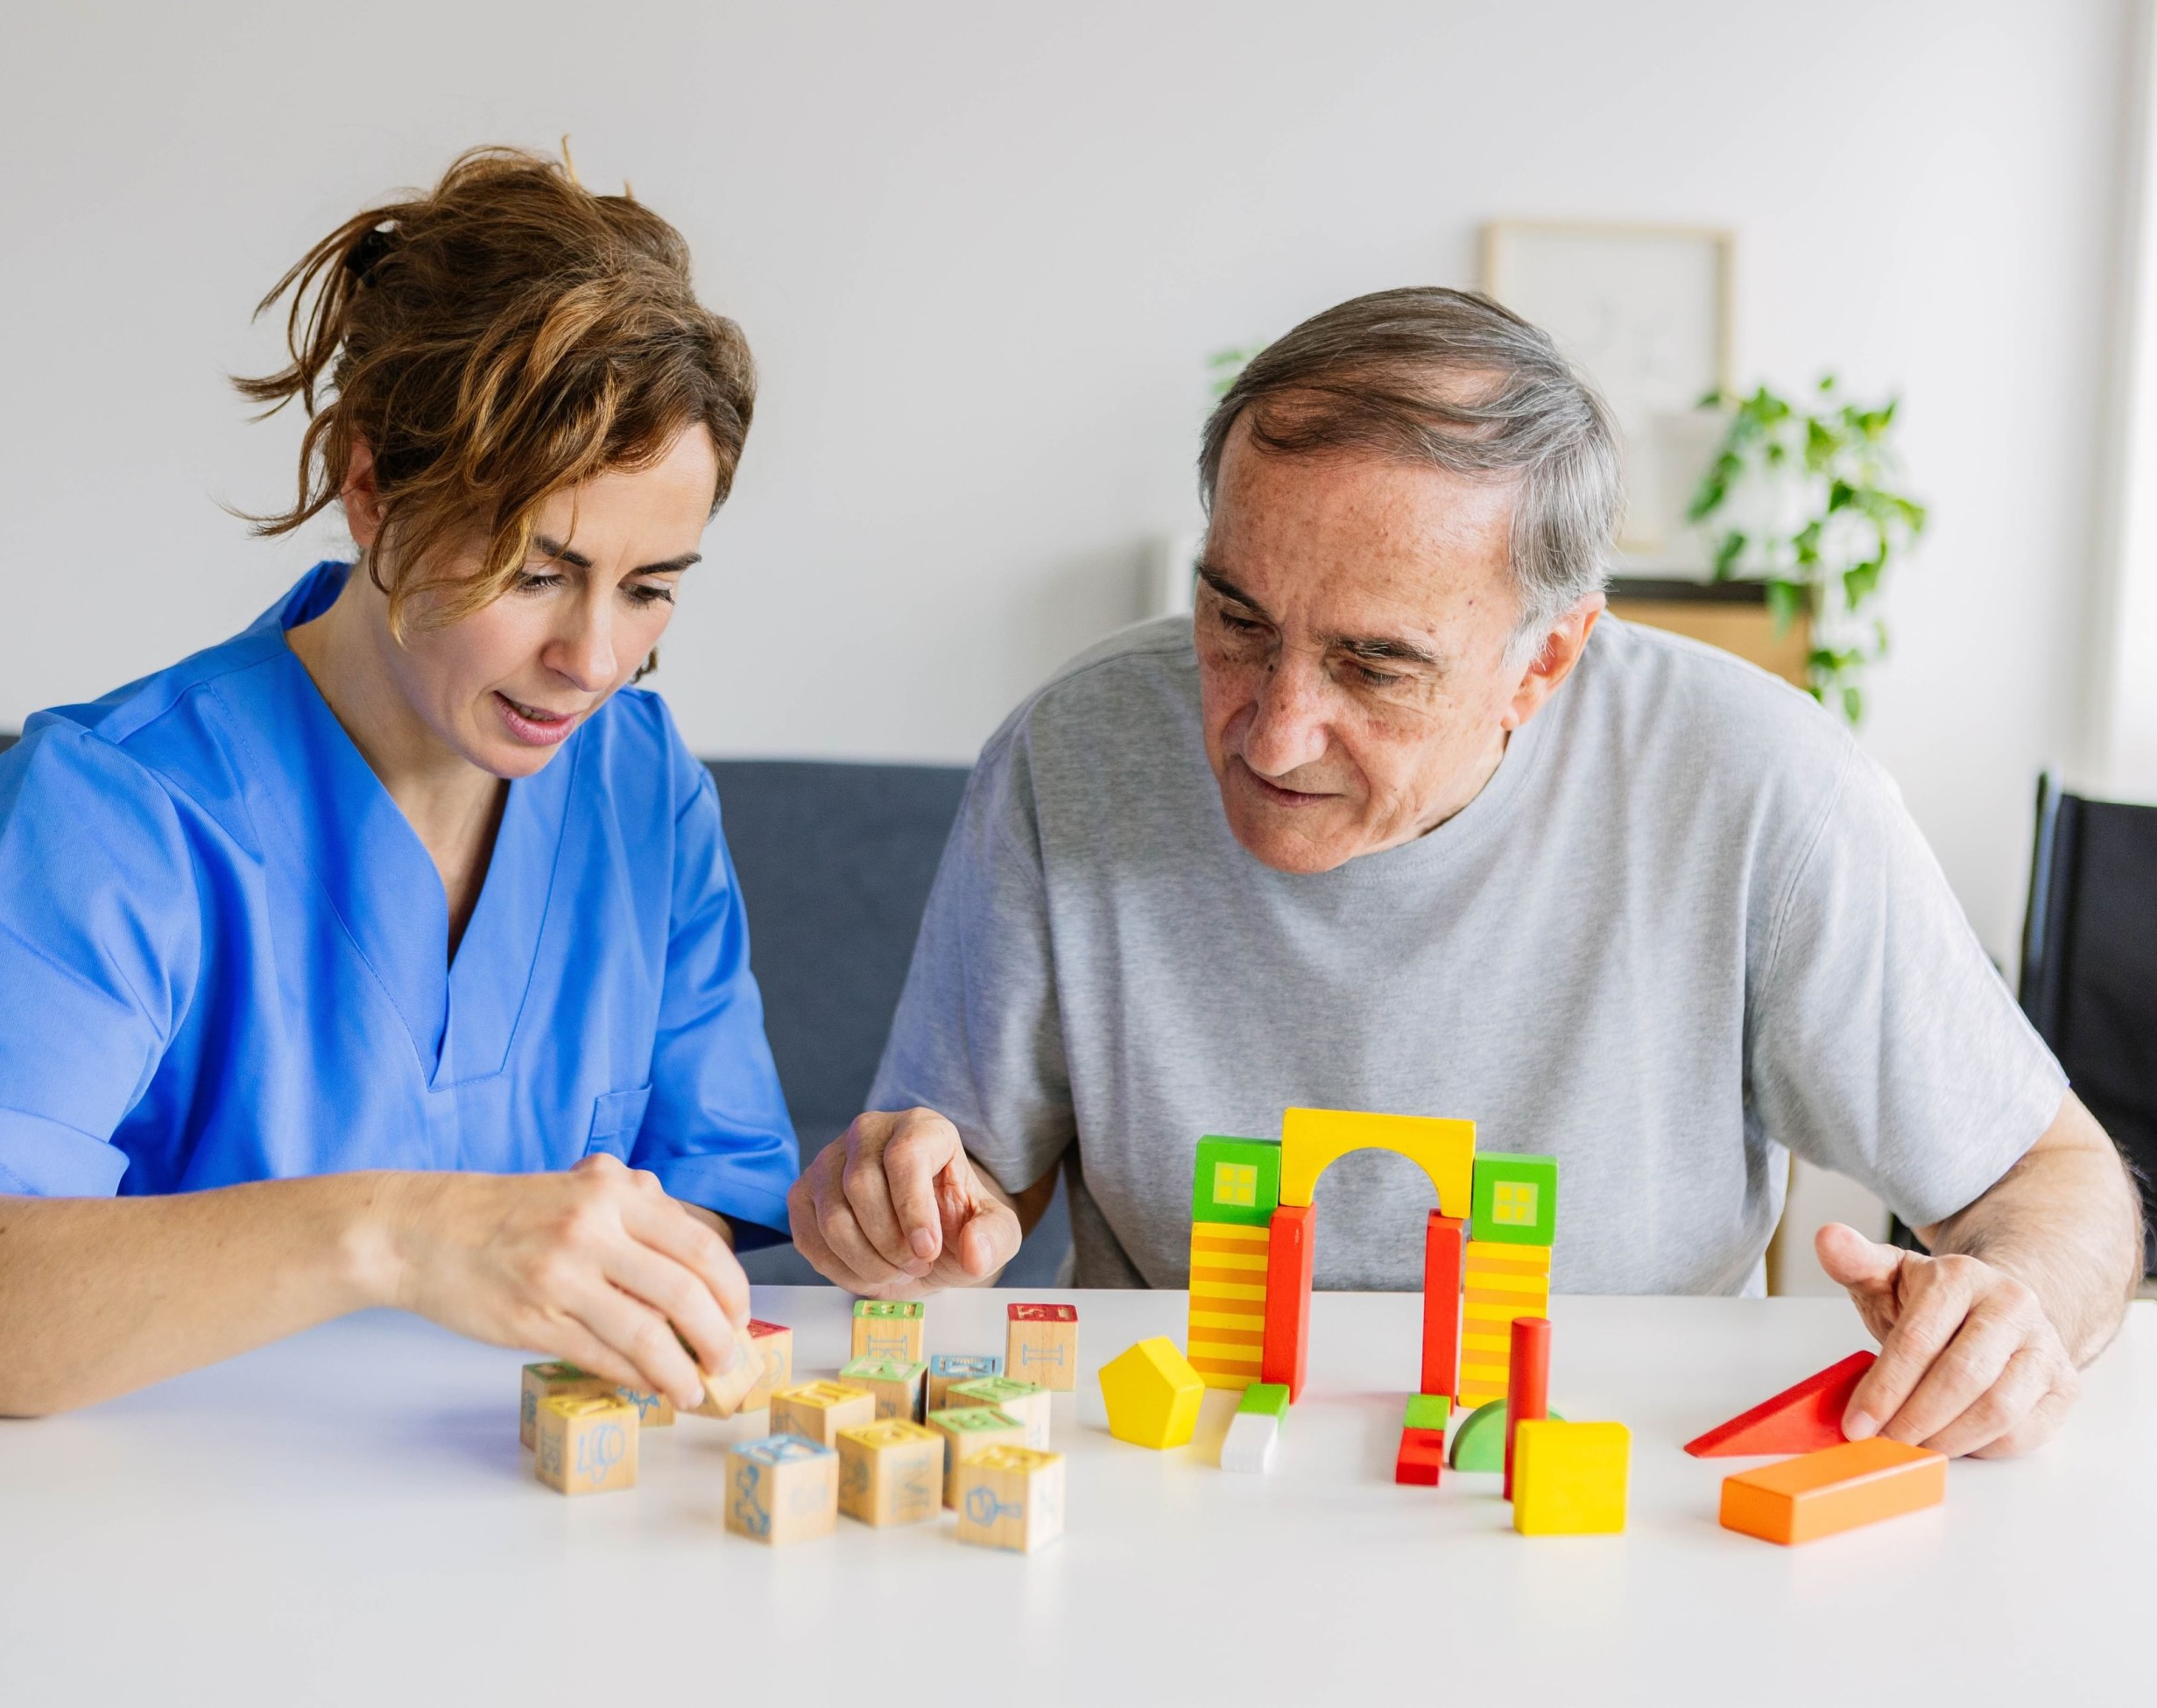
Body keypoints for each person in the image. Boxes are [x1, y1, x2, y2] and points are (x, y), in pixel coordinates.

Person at [793, 286, 2146, 1459]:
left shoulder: (1763, 789)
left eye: (1375, 665)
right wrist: (910, 1202)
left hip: (1607, 1489)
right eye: (1235, 618)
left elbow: (2056, 1185)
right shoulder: (1067, 751)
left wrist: (2014, 1306)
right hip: (1177, 1475)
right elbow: (962, 1176)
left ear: (1544, 662)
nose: (1273, 729)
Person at [0, 148, 793, 1416]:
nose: (592, 661)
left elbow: (710, 1204)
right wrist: (395, 1234)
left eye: (649, 589)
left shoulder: (645, 792)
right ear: (370, 489)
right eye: (537, 571)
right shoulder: (105, 814)